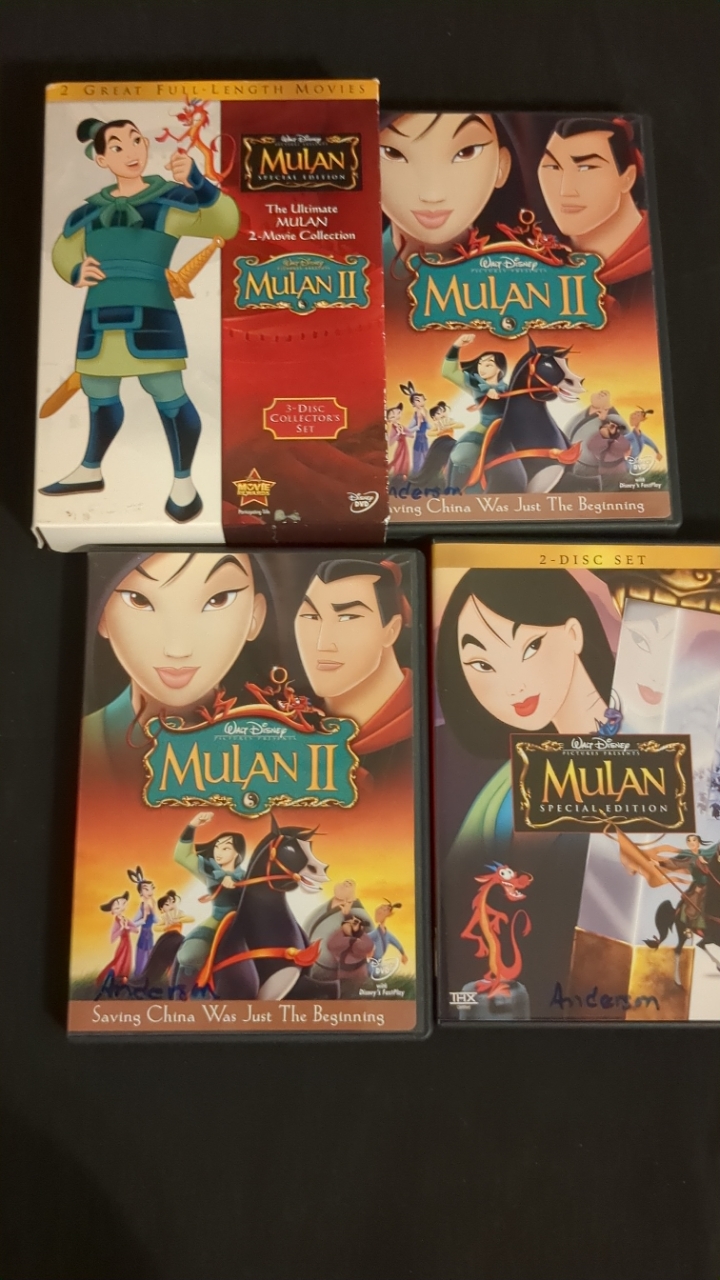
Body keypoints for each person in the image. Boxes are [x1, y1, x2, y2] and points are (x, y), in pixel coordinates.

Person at [40, 116, 239, 522]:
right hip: (98, 318)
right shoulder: (87, 213)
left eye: (136, 140)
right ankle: (90, 469)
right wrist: (75, 270)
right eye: (117, 146)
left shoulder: (170, 202)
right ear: (101, 159)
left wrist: (199, 182)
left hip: (152, 315)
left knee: (168, 394)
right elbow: (63, 250)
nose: (131, 151)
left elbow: (226, 223)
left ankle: (183, 482)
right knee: (98, 393)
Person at [82, 550, 268, 782]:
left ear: (255, 616)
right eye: (139, 600)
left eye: (218, 599)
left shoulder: (285, 744)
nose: (177, 650)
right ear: (102, 617)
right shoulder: (85, 743)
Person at [294, 557, 413, 784]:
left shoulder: (422, 727)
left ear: (391, 630)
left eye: (347, 617)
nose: (322, 643)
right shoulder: (292, 724)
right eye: (311, 616)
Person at [380, 112, 512, 268]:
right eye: (393, 153)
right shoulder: (360, 270)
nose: (432, 195)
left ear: (502, 166)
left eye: (466, 152)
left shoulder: (519, 268)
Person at [537, 115, 650, 292]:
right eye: (553, 167)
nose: (566, 190)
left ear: (627, 178)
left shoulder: (655, 254)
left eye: (586, 168)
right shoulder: (545, 258)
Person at [171, 812, 248, 991]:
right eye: (217, 847)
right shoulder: (209, 871)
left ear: (237, 853)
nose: (218, 852)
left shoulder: (248, 875)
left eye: (226, 848)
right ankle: (180, 998)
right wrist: (192, 825)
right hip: (218, 921)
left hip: (246, 924)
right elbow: (181, 856)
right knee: (190, 955)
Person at [441, 336, 510, 490]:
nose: (482, 368)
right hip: (484, 430)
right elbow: (448, 372)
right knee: (462, 456)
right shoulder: (474, 384)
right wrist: (456, 345)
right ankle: (453, 492)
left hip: (509, 432)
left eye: (488, 364)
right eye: (480, 364)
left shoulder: (509, 388)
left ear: (500, 368)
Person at [304, 879, 373, 986]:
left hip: (341, 971)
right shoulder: (324, 907)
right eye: (344, 883)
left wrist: (348, 916)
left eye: (349, 884)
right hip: (311, 965)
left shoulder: (357, 913)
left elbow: (366, 940)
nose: (345, 884)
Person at [566, 390, 629, 486]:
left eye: (604, 395)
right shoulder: (580, 416)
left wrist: (605, 420)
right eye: (599, 393)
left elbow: (624, 438)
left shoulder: (613, 419)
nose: (600, 394)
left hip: (599, 469)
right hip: (574, 465)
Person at [96, 891, 138, 986]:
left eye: (123, 904)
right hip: (122, 944)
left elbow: (136, 930)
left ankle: (122, 979)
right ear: (113, 912)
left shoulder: (125, 919)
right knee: (119, 960)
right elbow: (112, 938)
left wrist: (127, 927)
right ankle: (113, 977)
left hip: (128, 944)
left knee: (127, 960)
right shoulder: (117, 922)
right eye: (117, 907)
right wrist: (121, 928)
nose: (121, 908)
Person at [326, 914, 374, 996]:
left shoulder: (363, 937)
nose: (351, 926)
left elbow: (365, 947)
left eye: (355, 923)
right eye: (349, 923)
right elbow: (331, 945)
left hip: (359, 971)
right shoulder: (339, 935)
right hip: (343, 971)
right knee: (343, 992)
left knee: (360, 991)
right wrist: (349, 939)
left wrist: (355, 939)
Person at [127, 866, 159, 979]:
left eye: (151, 888)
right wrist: (143, 919)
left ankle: (148, 977)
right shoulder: (141, 908)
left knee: (150, 955)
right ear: (140, 892)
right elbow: (132, 924)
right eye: (146, 889)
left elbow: (156, 921)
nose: (150, 891)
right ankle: (139, 977)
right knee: (142, 957)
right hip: (143, 935)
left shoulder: (151, 905)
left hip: (150, 935)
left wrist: (154, 909)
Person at [585, 420, 631, 484]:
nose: (608, 428)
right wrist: (606, 439)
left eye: (612, 426)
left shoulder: (621, 438)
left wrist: (612, 439)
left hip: (619, 469)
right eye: (606, 426)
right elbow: (591, 446)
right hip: (603, 470)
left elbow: (622, 449)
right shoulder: (597, 437)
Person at [399, 382, 431, 476]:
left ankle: (425, 476)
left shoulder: (425, 413)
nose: (421, 402)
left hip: (424, 439)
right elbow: (408, 429)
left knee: (426, 458)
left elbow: (429, 427)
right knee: (417, 459)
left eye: (422, 399)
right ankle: (416, 476)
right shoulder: (415, 416)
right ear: (413, 403)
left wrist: (426, 419)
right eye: (418, 400)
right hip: (418, 439)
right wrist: (417, 426)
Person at [368, 901, 408, 973]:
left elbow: (396, 943)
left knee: (378, 975)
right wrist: (369, 950)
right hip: (372, 962)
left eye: (385, 910)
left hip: (379, 963)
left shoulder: (388, 935)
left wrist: (403, 954)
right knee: (373, 974)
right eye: (382, 910)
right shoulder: (375, 934)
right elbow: (364, 939)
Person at [626, 408, 663, 474]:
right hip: (629, 463)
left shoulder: (643, 437)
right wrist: (625, 451)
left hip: (636, 463)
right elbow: (619, 441)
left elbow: (651, 443)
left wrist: (657, 452)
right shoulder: (630, 436)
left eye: (638, 415)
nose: (635, 417)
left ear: (642, 419)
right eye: (635, 415)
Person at [385, 403, 413, 479]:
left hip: (405, 445)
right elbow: (391, 442)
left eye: (398, 413)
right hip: (400, 445)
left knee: (405, 458)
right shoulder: (394, 428)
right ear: (389, 420)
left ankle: (404, 474)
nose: (396, 416)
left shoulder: (400, 426)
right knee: (398, 458)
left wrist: (404, 433)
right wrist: (398, 434)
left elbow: (411, 434)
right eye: (392, 416)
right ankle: (397, 473)